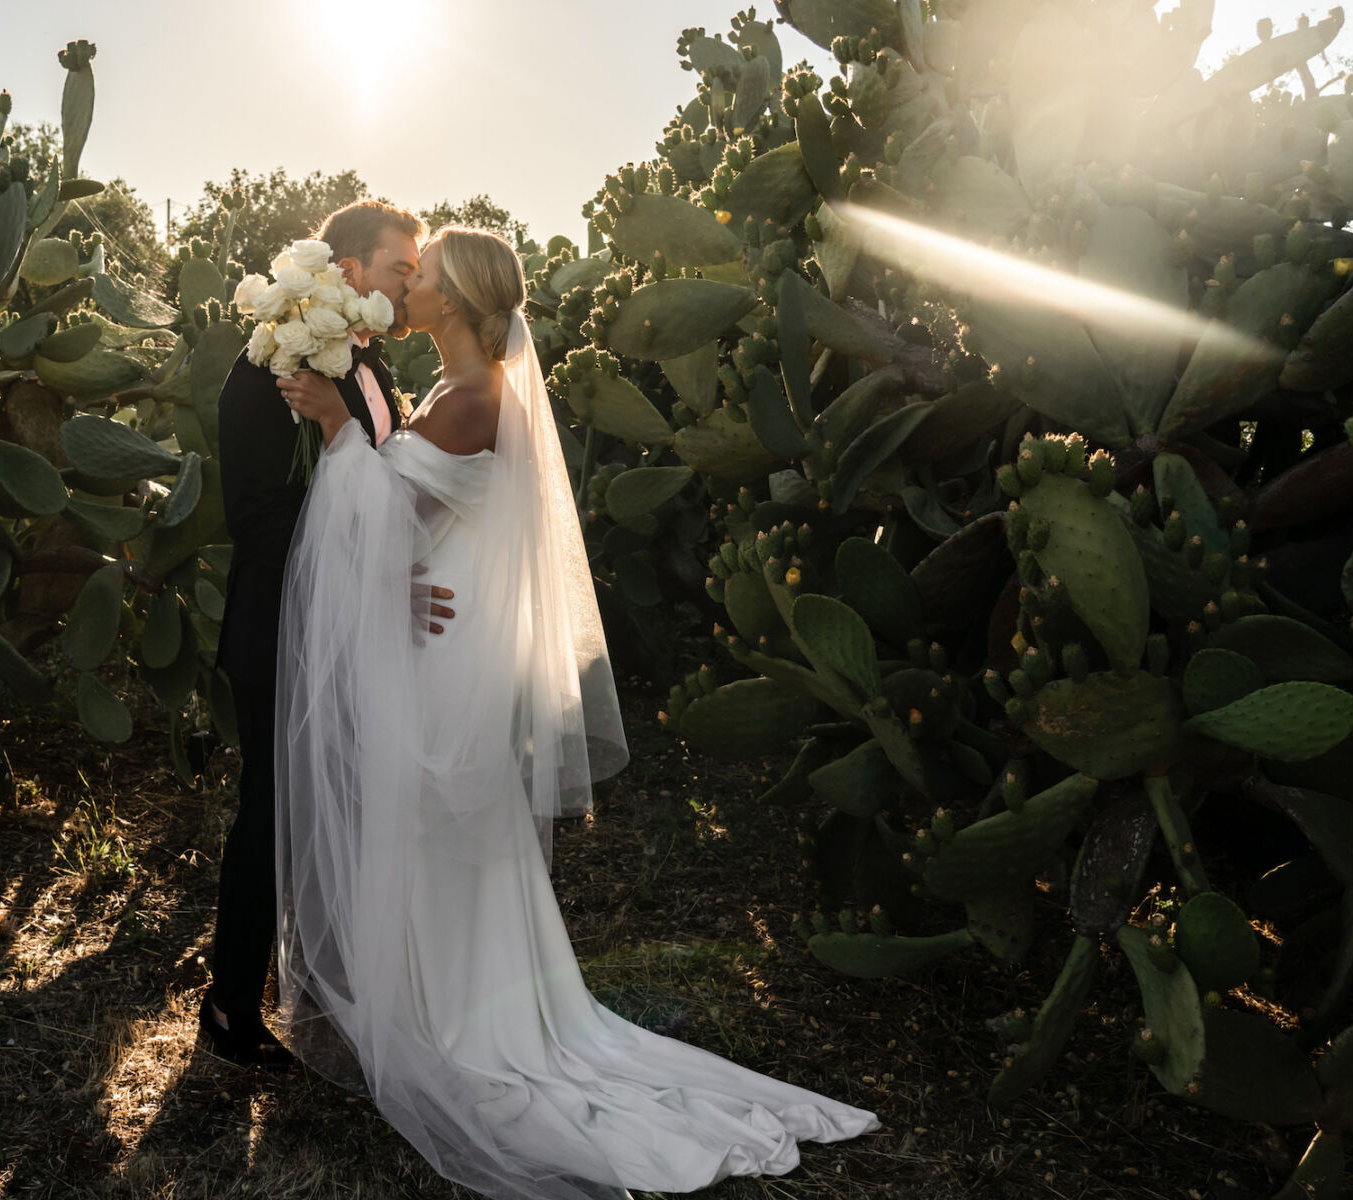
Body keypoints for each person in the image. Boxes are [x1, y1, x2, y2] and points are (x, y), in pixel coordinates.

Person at [271, 226, 879, 1199]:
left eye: (422, 276)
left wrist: (340, 429)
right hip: (442, 640)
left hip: (450, 663)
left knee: (438, 824)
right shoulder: (451, 396)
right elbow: (413, 527)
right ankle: (438, 1002)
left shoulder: (474, 401)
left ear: (460, 303)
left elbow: (380, 508)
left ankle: (457, 1019)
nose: (408, 284)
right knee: (440, 834)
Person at [205, 199, 454, 1066]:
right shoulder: (267, 370)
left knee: (340, 810)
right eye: (399, 265)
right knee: (273, 813)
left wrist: (399, 580)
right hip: (282, 634)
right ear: (347, 269)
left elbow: (378, 486)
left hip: (356, 633)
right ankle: (231, 1008)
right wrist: (369, 577)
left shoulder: (368, 366)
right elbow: (261, 522)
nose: (409, 280)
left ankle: (333, 988)